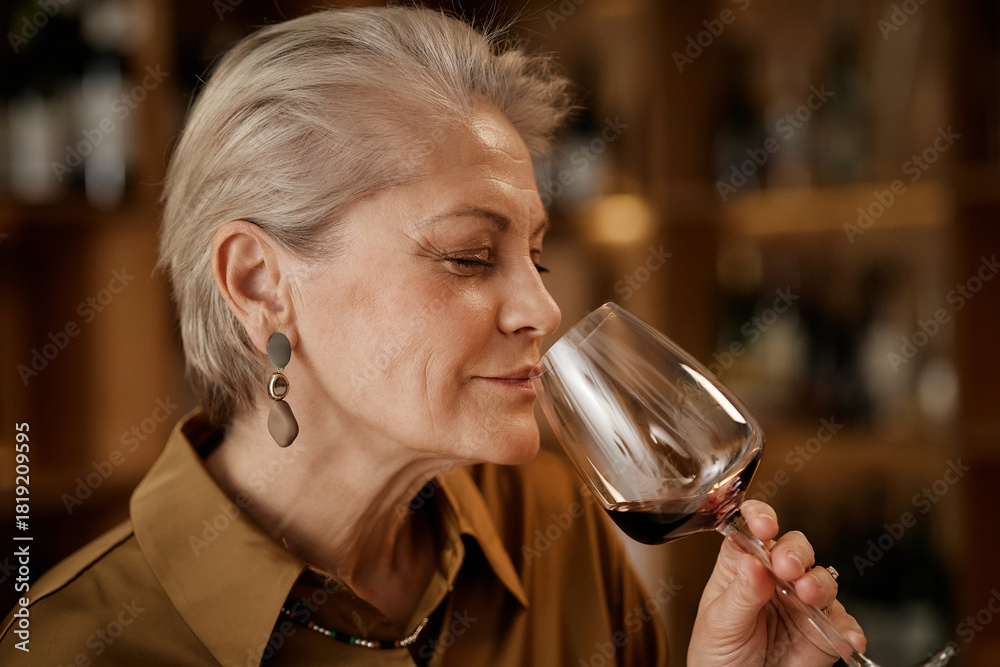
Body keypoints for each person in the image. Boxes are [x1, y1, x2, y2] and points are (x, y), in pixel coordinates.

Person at [0, 6, 865, 665]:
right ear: (260, 283)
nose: (542, 309)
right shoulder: (72, 642)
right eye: (467, 255)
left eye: (535, 256)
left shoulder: (557, 529)